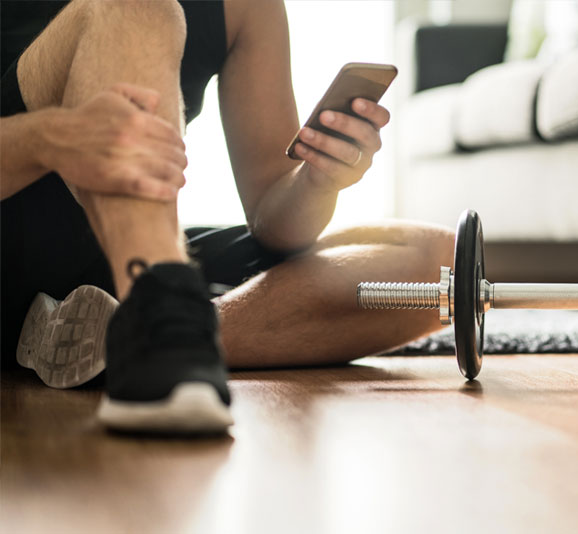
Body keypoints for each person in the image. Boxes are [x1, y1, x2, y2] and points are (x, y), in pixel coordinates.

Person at [0, 0, 454, 433]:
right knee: (135, 7)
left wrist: (317, 181)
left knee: (441, 266)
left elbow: (274, 225)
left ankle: (140, 335)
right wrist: (50, 137)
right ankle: (161, 330)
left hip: (104, 274)